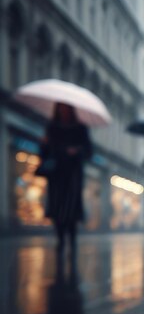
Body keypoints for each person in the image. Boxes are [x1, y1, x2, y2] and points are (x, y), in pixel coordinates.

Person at [40, 103, 93, 270]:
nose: (63, 110)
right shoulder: (52, 127)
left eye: (66, 107)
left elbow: (89, 151)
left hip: (73, 174)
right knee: (57, 207)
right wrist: (45, 144)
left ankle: (72, 240)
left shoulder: (80, 128)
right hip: (57, 173)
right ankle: (60, 239)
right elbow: (45, 153)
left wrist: (77, 151)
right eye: (60, 107)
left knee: (71, 208)